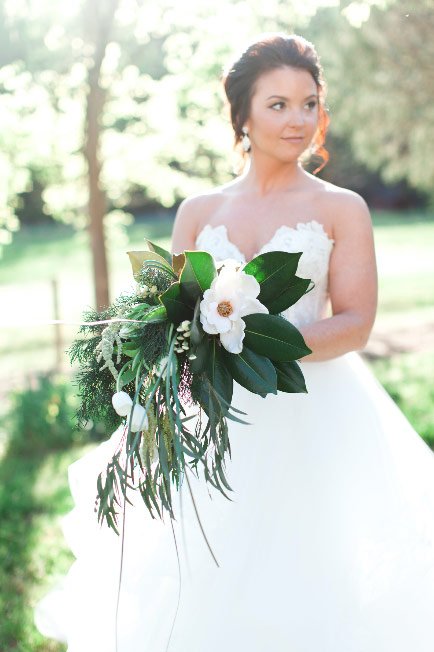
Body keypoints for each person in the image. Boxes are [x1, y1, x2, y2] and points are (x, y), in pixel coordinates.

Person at [35, 33, 434, 652]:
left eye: (309, 103)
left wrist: (261, 346)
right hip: (210, 413)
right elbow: (171, 313)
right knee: (203, 574)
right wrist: (171, 364)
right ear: (242, 114)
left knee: (308, 578)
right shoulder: (198, 211)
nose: (298, 119)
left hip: (314, 413)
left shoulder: (341, 208)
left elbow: (355, 321)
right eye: (278, 105)